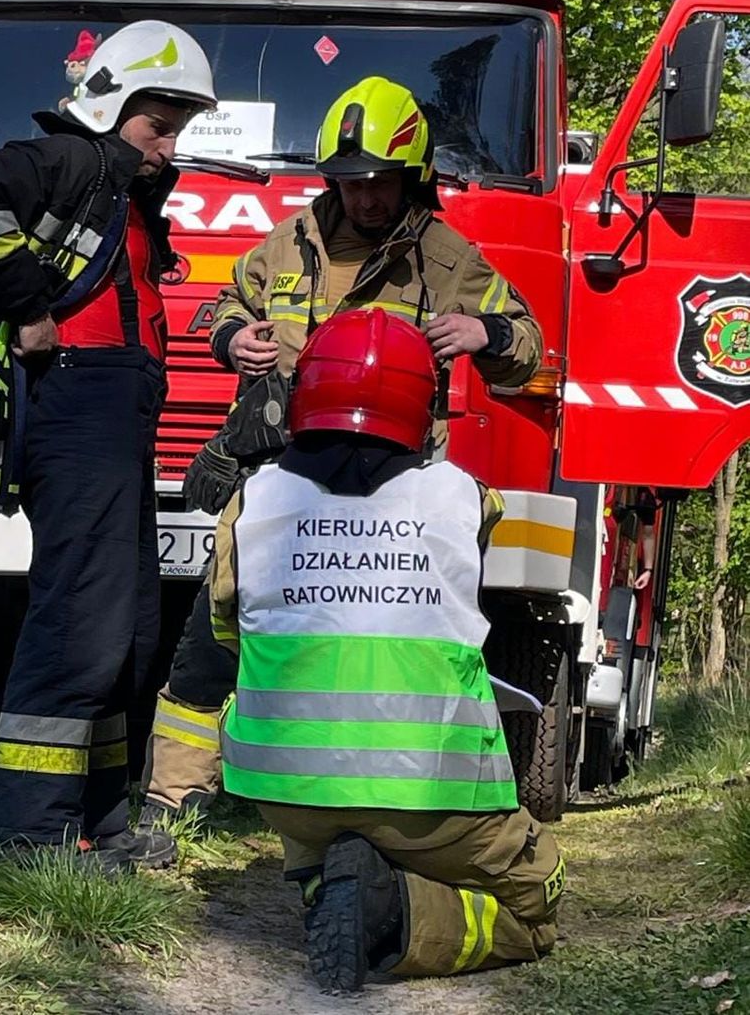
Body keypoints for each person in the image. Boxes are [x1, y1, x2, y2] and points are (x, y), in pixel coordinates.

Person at [136, 76, 543, 847]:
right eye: (351, 184)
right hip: (278, 480)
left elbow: (527, 348)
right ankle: (173, 800)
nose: (366, 200)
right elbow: (224, 305)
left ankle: (405, 801)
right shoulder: (288, 244)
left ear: (412, 177)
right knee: (213, 632)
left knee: (390, 652)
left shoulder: (448, 258)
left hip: (394, 498)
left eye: (381, 183)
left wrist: (484, 335)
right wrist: (233, 340)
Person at [0, 20, 217, 872]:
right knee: (78, 620)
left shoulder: (121, 189)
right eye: (157, 126)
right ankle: (29, 830)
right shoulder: (69, 159)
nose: (168, 148)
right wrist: (28, 306)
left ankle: (97, 821)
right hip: (79, 408)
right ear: (109, 107)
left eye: (179, 129)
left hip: (117, 415)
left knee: (125, 628)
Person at [214, 308, 564, 989]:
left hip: (289, 793)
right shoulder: (466, 498)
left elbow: (228, 630)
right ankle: (393, 914)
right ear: (421, 406)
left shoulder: (252, 500)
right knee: (535, 903)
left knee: (326, 842)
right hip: (434, 794)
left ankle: (328, 875)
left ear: (304, 391)